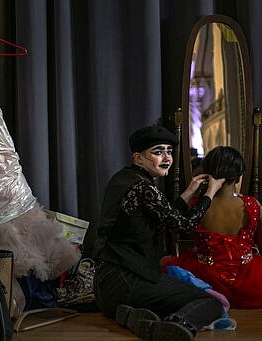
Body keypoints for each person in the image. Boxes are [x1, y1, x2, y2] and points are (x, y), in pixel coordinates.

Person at [92, 125, 225, 341]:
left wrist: (189, 192)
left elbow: (162, 220)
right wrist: (209, 194)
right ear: (138, 158)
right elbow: (183, 226)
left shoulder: (125, 179)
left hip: (107, 286)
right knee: (211, 302)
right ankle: (175, 325)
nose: (166, 158)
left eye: (169, 151)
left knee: (176, 296)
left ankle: (133, 316)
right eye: (157, 152)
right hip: (125, 282)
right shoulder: (144, 188)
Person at [163, 146, 262, 309]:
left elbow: (172, 225)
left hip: (204, 275)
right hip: (249, 281)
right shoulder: (252, 205)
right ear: (238, 177)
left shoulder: (197, 206)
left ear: (207, 175)